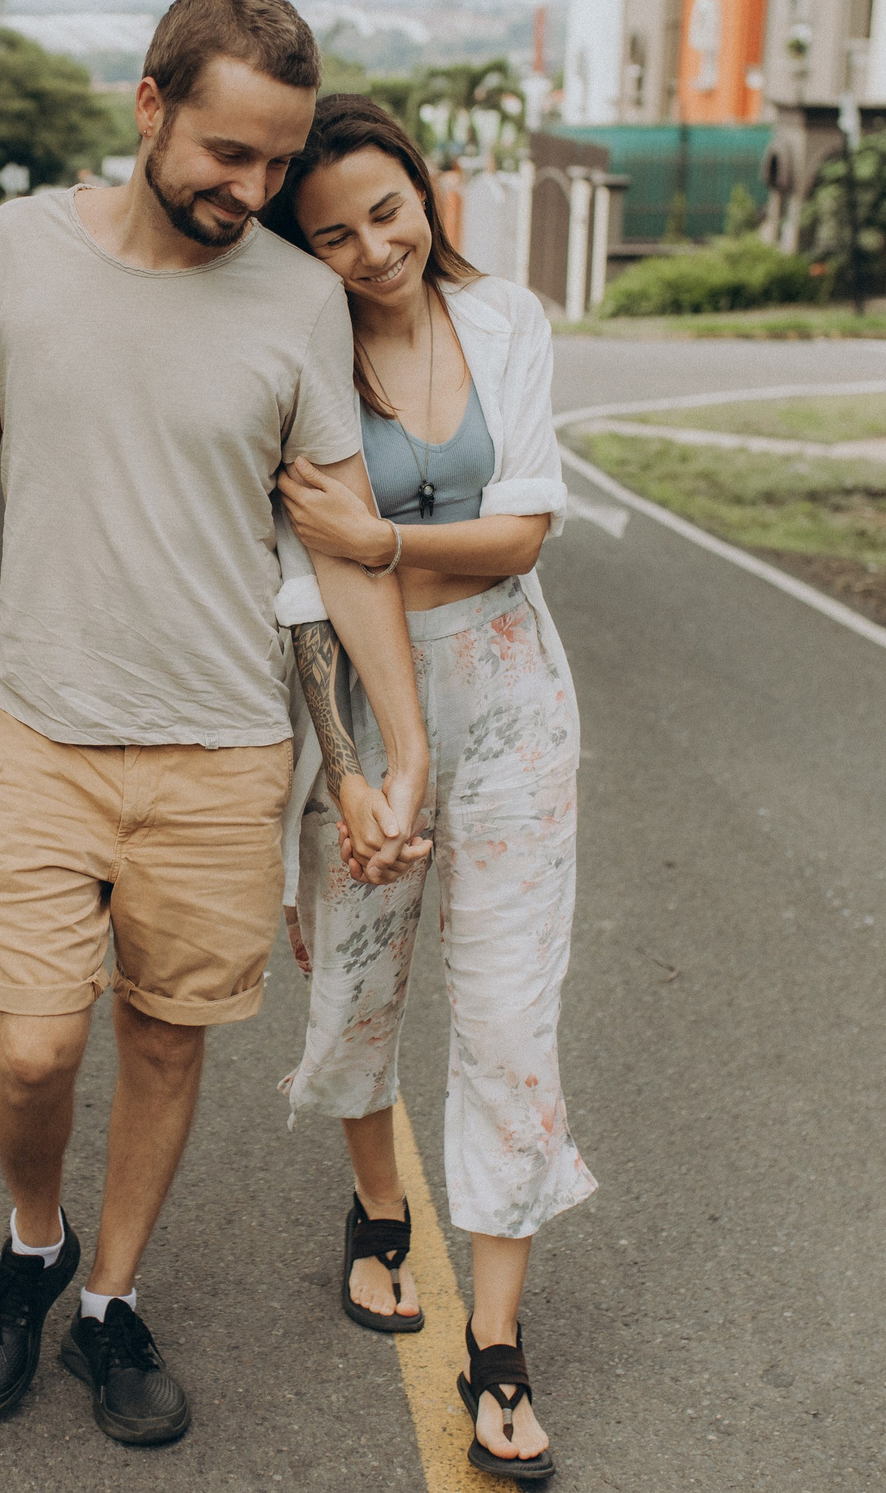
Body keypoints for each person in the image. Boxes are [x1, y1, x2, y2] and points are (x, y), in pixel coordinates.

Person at [0, 0, 432, 1449]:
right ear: (149, 107)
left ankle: (111, 1300)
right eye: (227, 155)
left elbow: (338, 538)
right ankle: (32, 1244)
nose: (251, 194)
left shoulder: (300, 300)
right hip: (42, 728)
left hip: (221, 746)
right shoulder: (18, 253)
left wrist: (397, 755)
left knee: (170, 1034)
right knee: (32, 1046)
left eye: (277, 164)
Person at [263, 94, 597, 1482]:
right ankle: (377, 1209)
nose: (372, 248)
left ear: (425, 189)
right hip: (354, 695)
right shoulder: (294, 357)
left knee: (511, 1006)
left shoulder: (510, 320)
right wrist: (346, 777)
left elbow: (525, 535)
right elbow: (301, 588)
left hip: (516, 695)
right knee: (356, 975)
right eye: (331, 232)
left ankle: (498, 1344)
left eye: (386, 210)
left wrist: (380, 540)